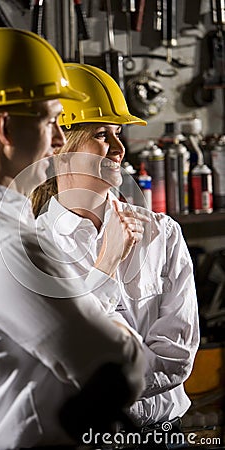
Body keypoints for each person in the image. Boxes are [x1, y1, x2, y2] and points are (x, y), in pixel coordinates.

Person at [0, 29, 146, 450]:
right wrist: (118, 324)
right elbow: (122, 370)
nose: (61, 139)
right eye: (50, 121)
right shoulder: (3, 246)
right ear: (5, 127)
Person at [32, 63, 200, 446]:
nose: (120, 148)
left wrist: (104, 381)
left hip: (165, 436)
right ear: (60, 147)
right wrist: (104, 264)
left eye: (118, 133)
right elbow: (64, 367)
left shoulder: (161, 234)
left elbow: (177, 359)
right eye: (102, 135)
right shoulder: (35, 248)